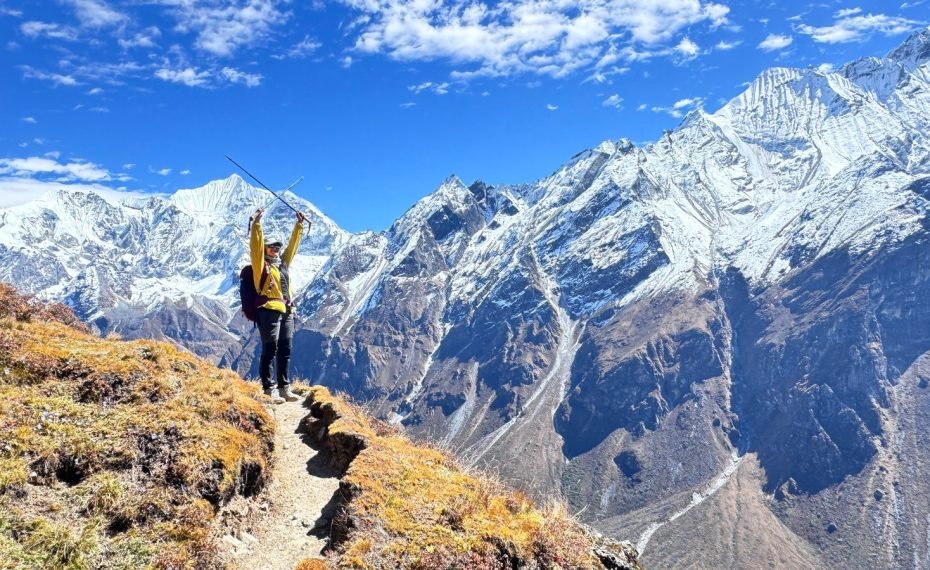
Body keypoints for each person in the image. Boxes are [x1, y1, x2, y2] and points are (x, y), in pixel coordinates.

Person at [250, 207, 307, 403]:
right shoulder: (260, 266)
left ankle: (284, 388)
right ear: (265, 248)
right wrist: (257, 224)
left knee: (285, 349)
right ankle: (268, 390)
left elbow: (292, 248)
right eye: (271, 246)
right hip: (268, 312)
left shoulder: (282, 265)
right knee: (270, 349)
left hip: (287, 311)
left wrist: (299, 225)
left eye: (277, 247)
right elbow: (255, 248)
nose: (275, 249)